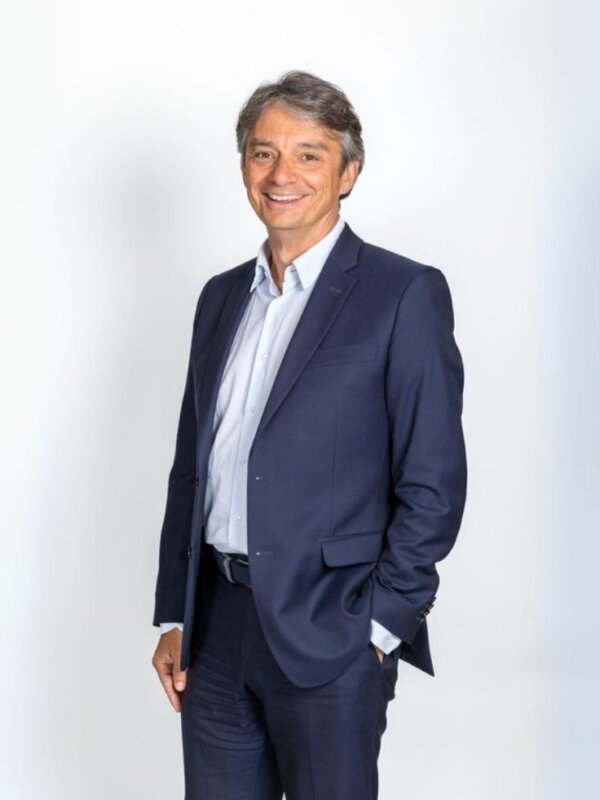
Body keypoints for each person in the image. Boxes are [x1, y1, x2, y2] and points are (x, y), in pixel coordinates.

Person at [151, 70, 467, 799]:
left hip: (334, 632)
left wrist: (379, 628)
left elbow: (433, 483)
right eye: (263, 153)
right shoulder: (220, 297)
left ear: (347, 172)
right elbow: (191, 466)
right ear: (244, 168)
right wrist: (176, 612)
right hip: (214, 629)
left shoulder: (402, 293)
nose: (281, 174)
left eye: (308, 154)